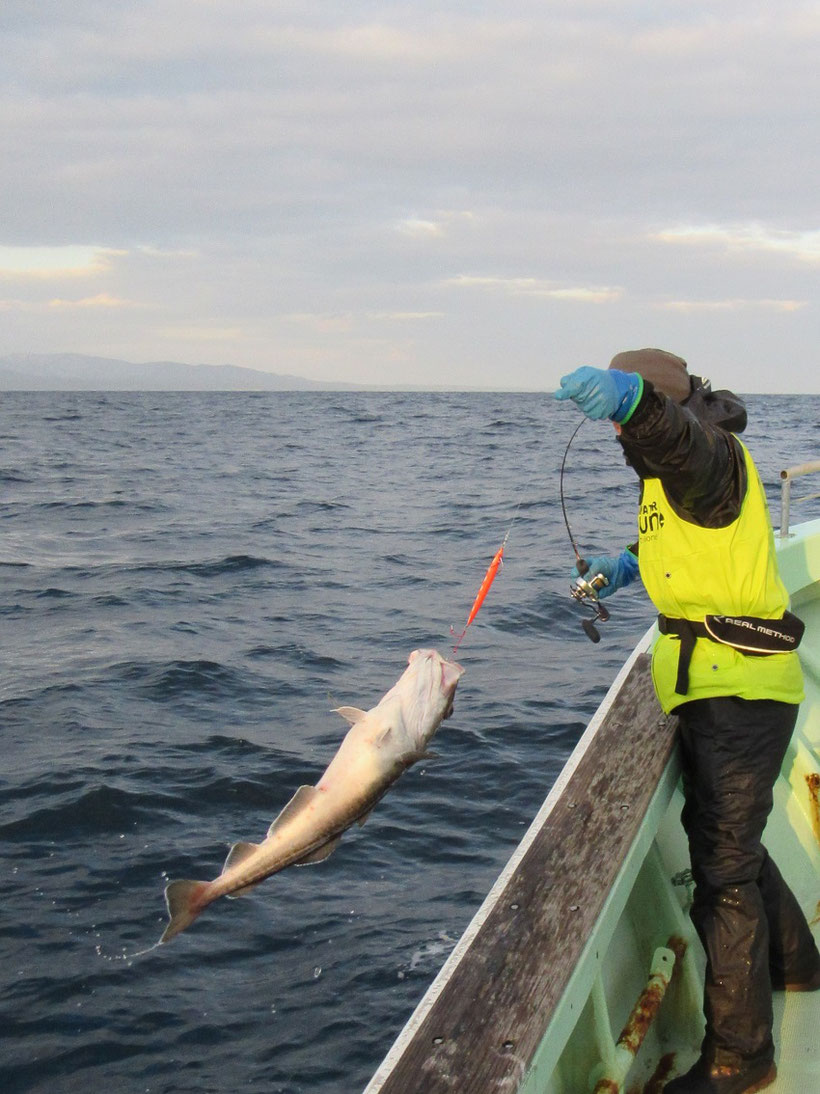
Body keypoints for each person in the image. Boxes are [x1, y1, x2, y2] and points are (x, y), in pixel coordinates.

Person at [555, 349, 820, 1094]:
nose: (622, 443)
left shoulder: (705, 451)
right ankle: (796, 964)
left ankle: (741, 1058)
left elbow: (676, 444)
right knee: (728, 838)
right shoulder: (682, 475)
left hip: (738, 691)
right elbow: (692, 535)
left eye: (631, 425)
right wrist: (630, 564)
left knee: (722, 873)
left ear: (667, 410)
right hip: (711, 686)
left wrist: (631, 400)